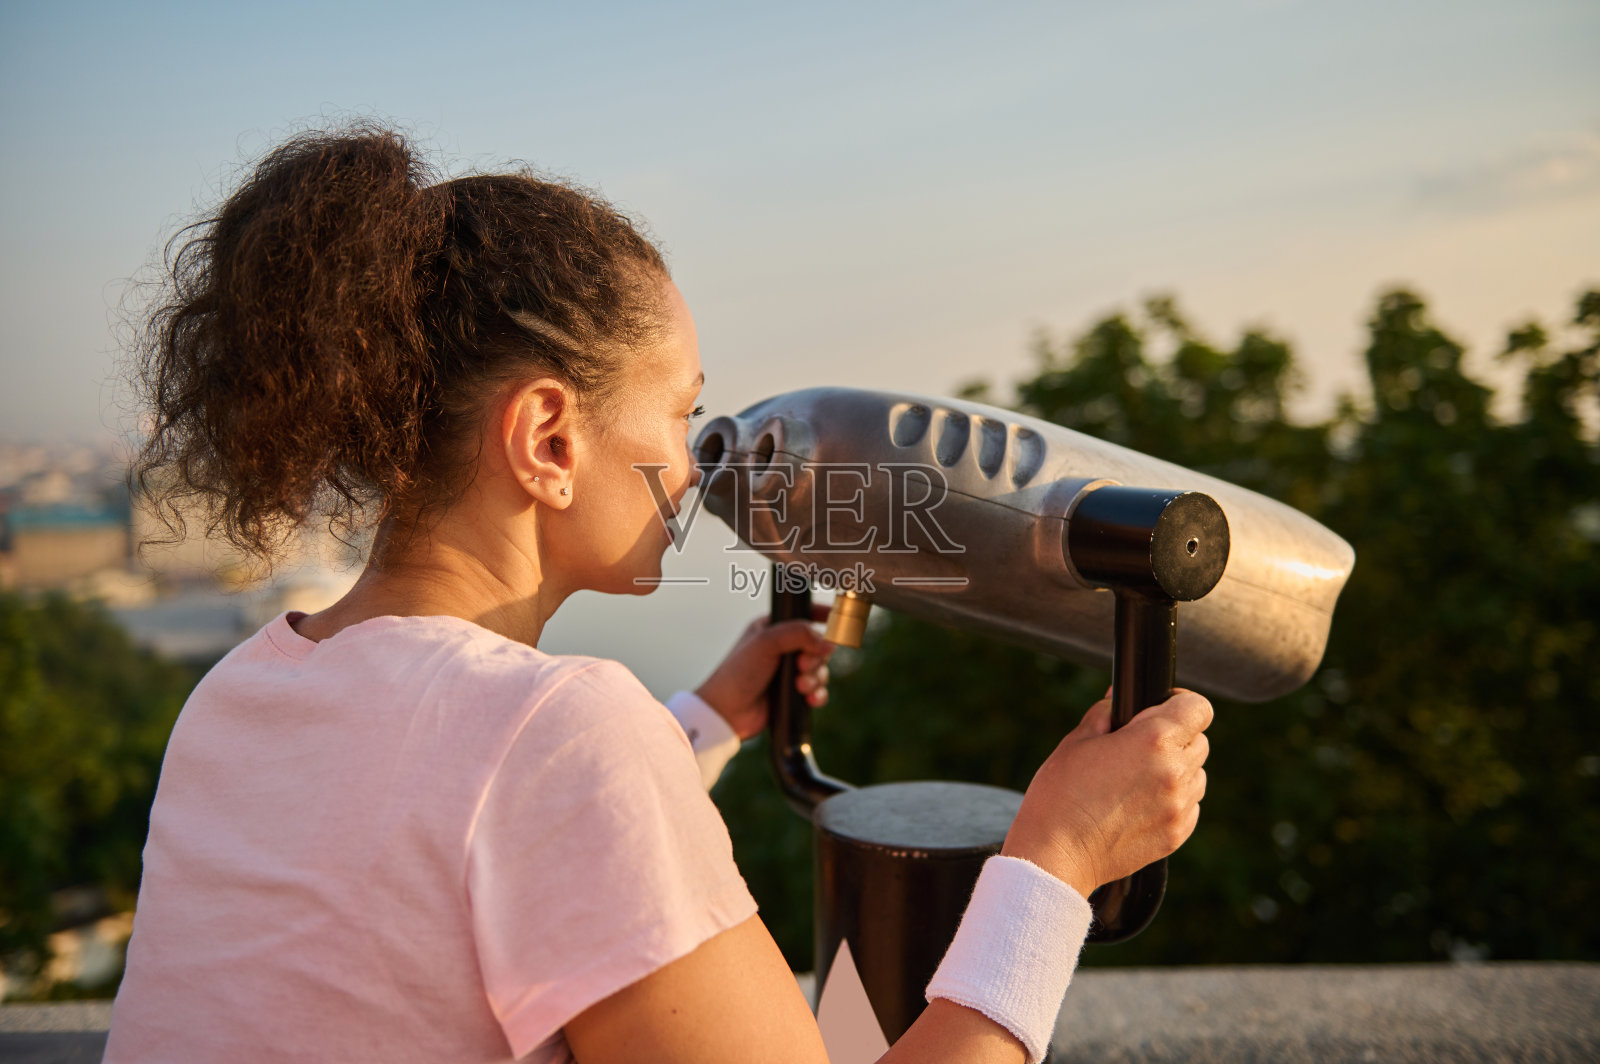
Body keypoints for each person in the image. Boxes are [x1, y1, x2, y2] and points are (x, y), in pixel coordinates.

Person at [104, 124, 1212, 1064]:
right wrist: (1058, 862)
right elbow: (520, 782)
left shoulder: (236, 695)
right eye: (681, 412)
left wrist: (704, 720)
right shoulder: (556, 731)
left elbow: (441, 837)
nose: (691, 468)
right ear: (547, 437)